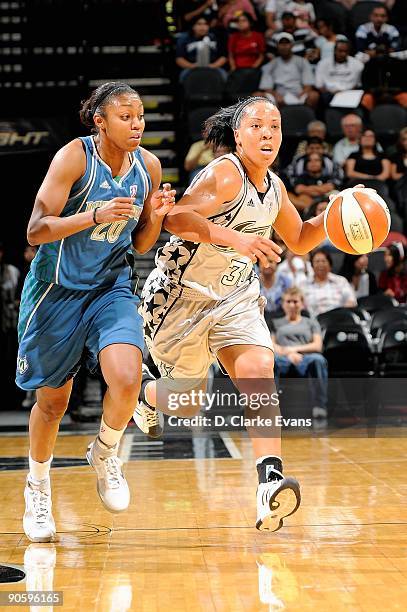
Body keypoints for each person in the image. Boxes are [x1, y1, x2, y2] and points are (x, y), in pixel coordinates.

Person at [134, 96, 343, 532]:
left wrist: (336, 215)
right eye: (257, 126)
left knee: (258, 371)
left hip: (234, 297)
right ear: (238, 134)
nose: (267, 133)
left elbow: (301, 239)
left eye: (275, 126)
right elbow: (174, 218)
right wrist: (237, 240)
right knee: (190, 404)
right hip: (182, 297)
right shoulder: (225, 173)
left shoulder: (276, 186)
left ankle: (269, 480)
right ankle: (145, 397)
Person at [16, 82, 176, 542]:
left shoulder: (148, 166)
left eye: (141, 116)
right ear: (100, 122)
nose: (137, 124)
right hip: (57, 291)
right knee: (53, 403)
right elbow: (35, 231)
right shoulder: (74, 157)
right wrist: (93, 215)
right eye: (126, 117)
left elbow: (142, 243)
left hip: (111, 287)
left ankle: (105, 452)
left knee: (127, 378)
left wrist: (158, 219)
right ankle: (38, 486)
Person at [271, 287, 328, 419]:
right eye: (288, 301)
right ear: (283, 304)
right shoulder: (276, 323)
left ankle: (319, 406)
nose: (292, 305)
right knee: (270, 360)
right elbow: (271, 344)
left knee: (318, 360)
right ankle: (270, 407)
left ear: (302, 303)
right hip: (282, 358)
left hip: (306, 357)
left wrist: (294, 350)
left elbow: (317, 345)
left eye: (295, 301)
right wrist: (288, 354)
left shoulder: (311, 322)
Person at [256, 33, 319, 108]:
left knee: (314, 95)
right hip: (278, 96)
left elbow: (308, 85)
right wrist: (276, 95)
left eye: (286, 43)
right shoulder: (271, 64)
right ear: (277, 46)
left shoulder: (302, 61)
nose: (284, 46)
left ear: (292, 45)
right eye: (281, 44)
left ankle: (306, 116)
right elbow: (266, 87)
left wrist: (301, 95)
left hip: (298, 94)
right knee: (257, 95)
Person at [303, 248, 357, 317]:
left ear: (330, 265)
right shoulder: (304, 285)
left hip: (339, 319)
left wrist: (341, 312)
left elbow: (352, 302)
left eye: (323, 261)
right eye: (317, 261)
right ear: (312, 266)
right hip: (314, 321)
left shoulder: (341, 281)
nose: (320, 264)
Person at [175, 16, 227, 82]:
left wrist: (213, 65)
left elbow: (223, 56)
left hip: (213, 66)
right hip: (191, 67)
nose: (203, 27)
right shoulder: (184, 39)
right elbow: (179, 58)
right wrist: (192, 66)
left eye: (205, 24)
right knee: (182, 78)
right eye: (199, 24)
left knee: (224, 76)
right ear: (193, 26)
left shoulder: (215, 37)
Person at [315, 39, 364, 107]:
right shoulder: (322, 64)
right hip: (329, 94)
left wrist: (345, 93)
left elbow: (357, 84)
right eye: (340, 51)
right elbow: (319, 85)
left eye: (346, 51)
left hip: (350, 93)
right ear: (335, 51)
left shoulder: (357, 64)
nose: (343, 54)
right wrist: (332, 93)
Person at [344, 129, 391, 198]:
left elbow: (385, 174)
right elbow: (350, 173)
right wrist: (370, 177)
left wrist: (374, 179)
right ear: (360, 139)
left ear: (375, 140)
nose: (368, 138)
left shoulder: (383, 156)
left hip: (378, 184)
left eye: (371, 136)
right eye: (365, 136)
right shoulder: (353, 155)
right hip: (357, 184)